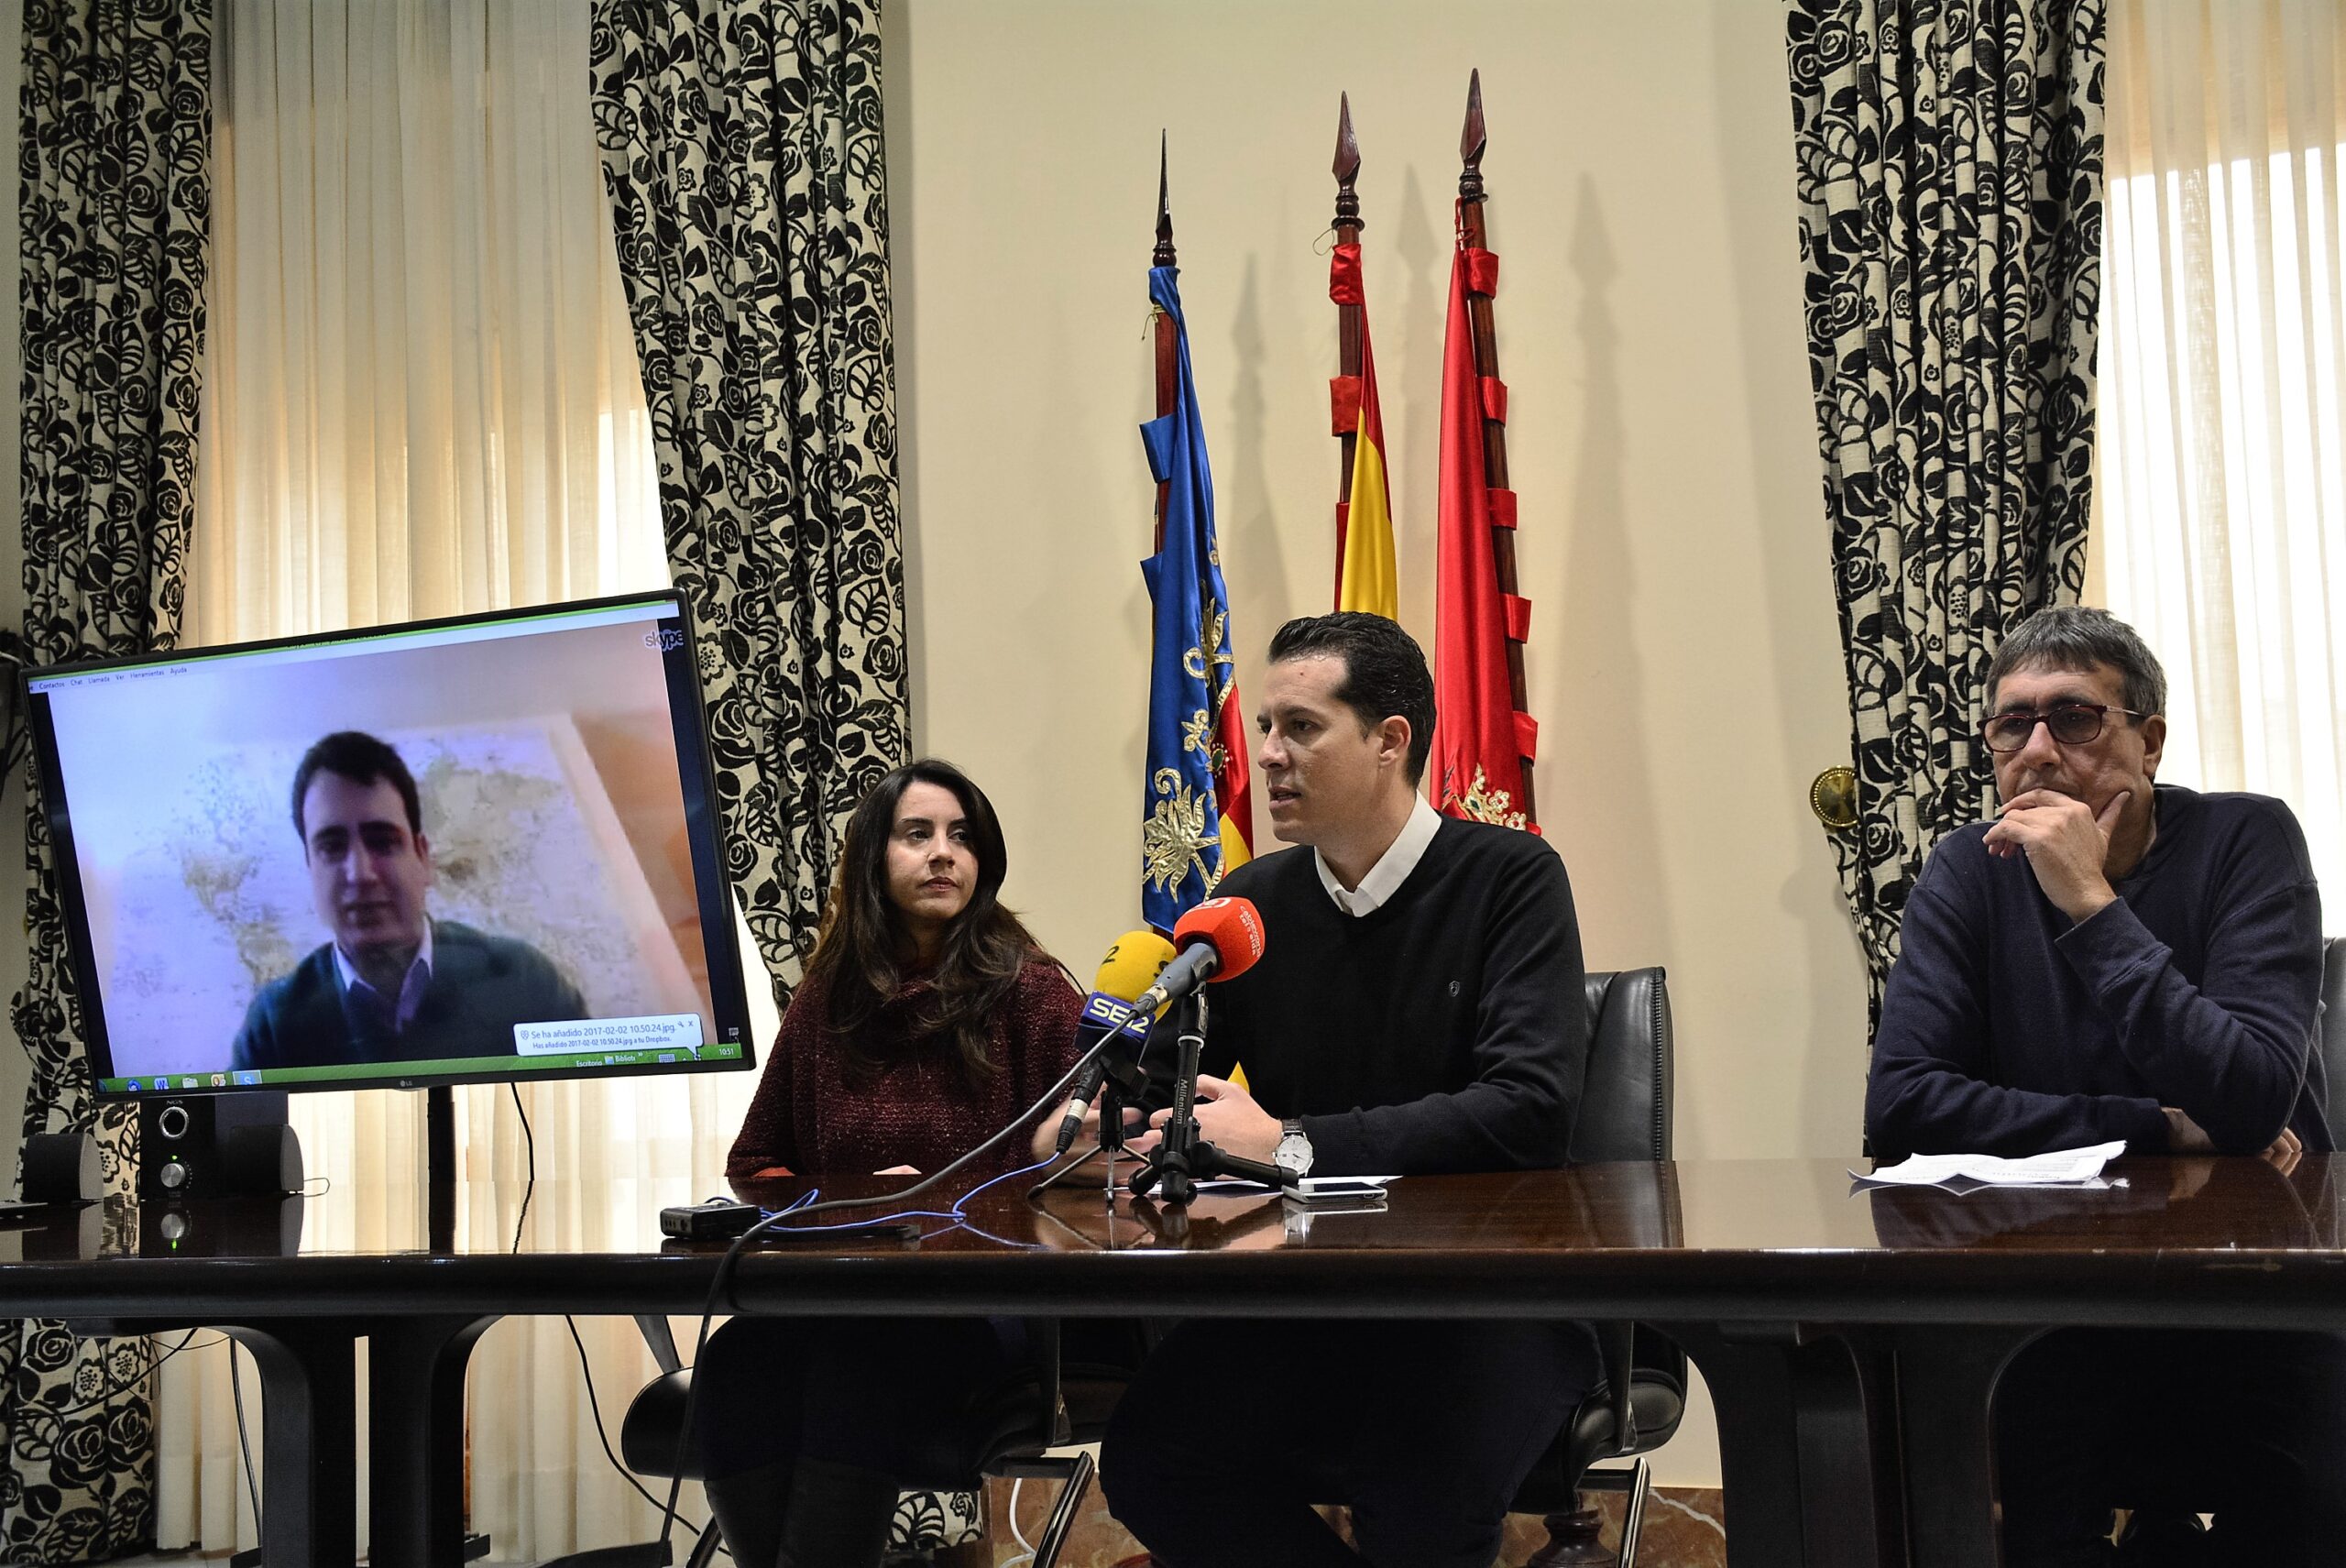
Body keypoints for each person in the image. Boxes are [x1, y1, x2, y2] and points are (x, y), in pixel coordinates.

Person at [1098, 612, 1598, 1568]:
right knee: (1154, 1458)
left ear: (1388, 740)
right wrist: (1099, 1120)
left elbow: (1527, 1110)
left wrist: (1292, 1144)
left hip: (1488, 1302)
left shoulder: (1511, 878)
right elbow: (1162, 1084)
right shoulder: (1251, 905)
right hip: (1313, 1296)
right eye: (1265, 728)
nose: (1266, 755)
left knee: (1418, 1485)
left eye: (1301, 727)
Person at [1864, 604, 2345, 1564]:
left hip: (2254, 1295)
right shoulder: (1966, 868)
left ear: (2148, 741)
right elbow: (1902, 1105)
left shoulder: (2247, 840)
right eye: (2013, 724)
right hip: (2052, 1292)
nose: (2038, 751)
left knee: (2301, 1501)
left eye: (2075, 718)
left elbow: (2251, 1095)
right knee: (1955, 1454)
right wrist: (2155, 1123)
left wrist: (2089, 900)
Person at [697, 759, 1086, 1568]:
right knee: (733, 1360)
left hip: (985, 1308)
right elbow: (755, 1164)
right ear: (875, 856)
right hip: (842, 1295)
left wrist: (943, 1203)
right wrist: (850, 1199)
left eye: (962, 837)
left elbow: (1082, 1178)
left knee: (855, 1365)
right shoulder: (827, 1001)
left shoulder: (1035, 990)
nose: (943, 853)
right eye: (918, 834)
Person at [231, 730, 584, 1070]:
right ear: (310, 868)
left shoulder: (524, 980)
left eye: (383, 842)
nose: (360, 874)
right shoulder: (273, 1028)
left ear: (422, 857)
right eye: (332, 847)